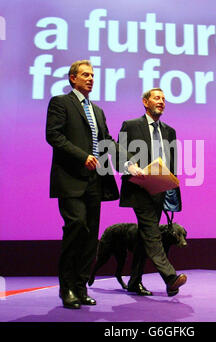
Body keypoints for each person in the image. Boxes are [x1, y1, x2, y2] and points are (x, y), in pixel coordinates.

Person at [46, 60, 134, 309]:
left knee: (90, 235)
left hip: (96, 180)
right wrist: (82, 156)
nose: (91, 78)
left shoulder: (97, 111)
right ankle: (67, 288)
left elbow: (107, 142)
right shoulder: (60, 102)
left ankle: (81, 287)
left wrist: (129, 163)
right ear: (72, 78)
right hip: (71, 178)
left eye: (93, 75)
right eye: (85, 74)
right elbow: (54, 135)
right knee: (76, 226)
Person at [118, 88, 187, 297]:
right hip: (139, 188)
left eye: (164, 99)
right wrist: (130, 164)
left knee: (144, 236)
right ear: (145, 102)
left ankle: (134, 281)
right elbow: (119, 151)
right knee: (152, 232)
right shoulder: (131, 126)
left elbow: (171, 164)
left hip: (159, 191)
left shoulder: (169, 131)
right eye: (157, 98)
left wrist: (171, 189)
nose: (162, 102)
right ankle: (170, 277)